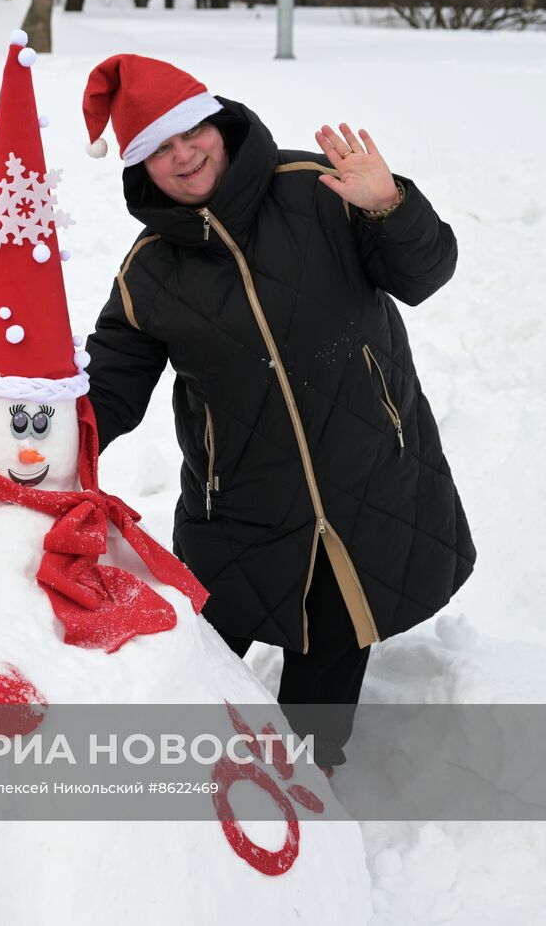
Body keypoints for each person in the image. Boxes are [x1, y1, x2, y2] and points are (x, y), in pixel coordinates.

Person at [79, 55, 475, 768]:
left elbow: (427, 273)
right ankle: (182, 793)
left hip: (367, 481)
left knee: (331, 651)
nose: (184, 155)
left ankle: (308, 785)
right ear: (142, 168)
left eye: (190, 132)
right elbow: (107, 390)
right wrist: (31, 441)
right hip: (236, 507)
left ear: (217, 124)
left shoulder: (318, 191)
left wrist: (390, 206)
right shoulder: (149, 271)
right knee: (194, 663)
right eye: (161, 149)